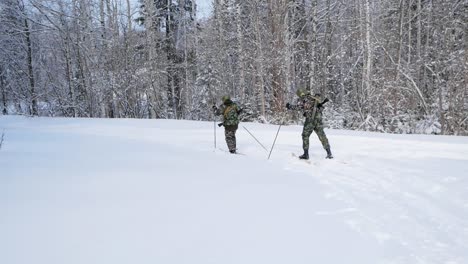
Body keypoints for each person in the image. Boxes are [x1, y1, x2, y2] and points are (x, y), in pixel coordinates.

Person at [286, 89, 333, 159]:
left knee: (305, 135)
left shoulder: (306, 99)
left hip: (310, 120)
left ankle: (306, 154)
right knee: (322, 136)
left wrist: (290, 106)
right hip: (318, 120)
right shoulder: (315, 100)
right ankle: (329, 153)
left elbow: (300, 107)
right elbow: (321, 108)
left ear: (301, 94)